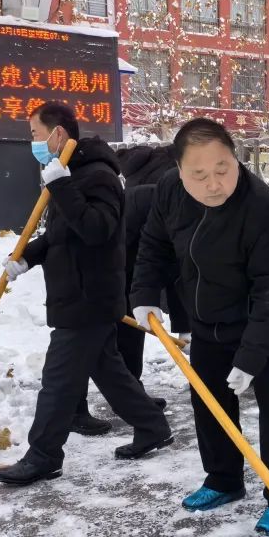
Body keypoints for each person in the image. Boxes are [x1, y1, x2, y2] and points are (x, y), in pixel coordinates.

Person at [130, 117, 269, 537]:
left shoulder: (261, 209)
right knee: (209, 401)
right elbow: (153, 244)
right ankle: (223, 479)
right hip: (206, 315)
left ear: (236, 158)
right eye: (200, 174)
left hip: (265, 319)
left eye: (223, 168)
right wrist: (144, 295)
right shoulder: (170, 192)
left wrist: (250, 358)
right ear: (179, 171)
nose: (214, 184)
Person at [0, 102, 173, 485]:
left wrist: (60, 185)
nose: (34, 144)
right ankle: (152, 426)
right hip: (78, 292)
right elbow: (64, 234)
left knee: (57, 381)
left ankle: (43, 454)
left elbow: (98, 229)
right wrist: (29, 257)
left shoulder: (97, 176)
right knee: (109, 370)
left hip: (87, 297)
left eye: (36, 135)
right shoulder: (71, 173)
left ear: (58, 134)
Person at [72, 144, 191, 436]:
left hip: (127, 278)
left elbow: (175, 269)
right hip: (91, 276)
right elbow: (104, 248)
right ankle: (74, 409)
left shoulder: (179, 210)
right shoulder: (141, 202)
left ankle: (132, 395)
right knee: (87, 346)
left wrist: (184, 326)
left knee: (131, 336)